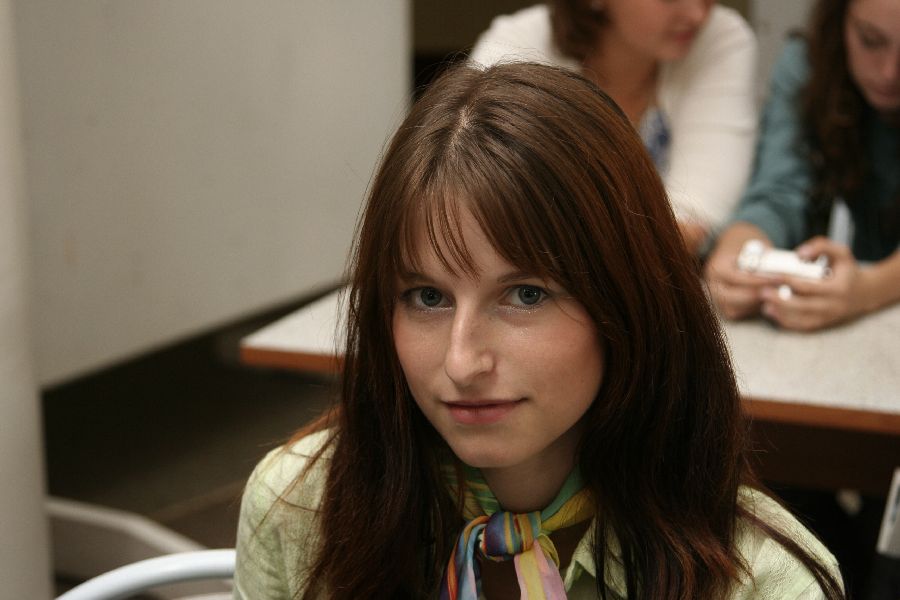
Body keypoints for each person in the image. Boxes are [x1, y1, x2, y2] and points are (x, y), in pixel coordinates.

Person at [233, 63, 844, 599]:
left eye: (526, 295)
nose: (462, 362)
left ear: (630, 304)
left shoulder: (763, 584)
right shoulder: (296, 507)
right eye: (427, 297)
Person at [468, 0, 758, 254]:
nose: (697, 14)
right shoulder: (516, 44)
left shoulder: (718, 37)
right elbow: (489, 209)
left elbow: (697, 214)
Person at [705, 0, 900, 331]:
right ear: (839, 17)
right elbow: (781, 189)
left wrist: (869, 289)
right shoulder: (808, 66)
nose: (889, 72)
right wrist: (741, 244)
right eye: (871, 40)